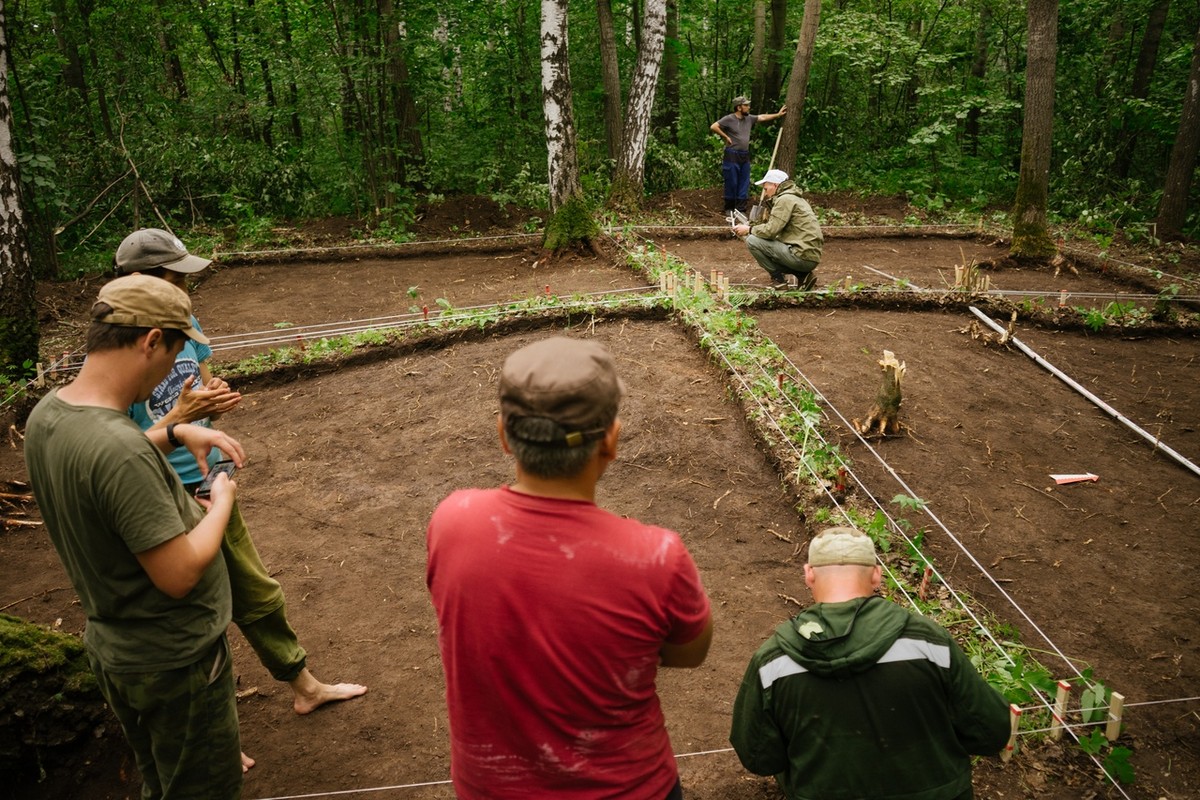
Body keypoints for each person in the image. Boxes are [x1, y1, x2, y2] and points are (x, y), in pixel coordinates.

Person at [113, 229, 366, 764]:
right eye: (178, 275)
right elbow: (111, 450)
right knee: (191, 614)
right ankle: (210, 736)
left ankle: (305, 686)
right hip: (158, 492)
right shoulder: (119, 349)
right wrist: (176, 422)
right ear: (147, 279)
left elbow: (199, 381)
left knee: (253, 590)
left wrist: (211, 401)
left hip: (209, 477)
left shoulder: (188, 323)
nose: (187, 283)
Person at [426, 336, 714, 799]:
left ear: (503, 434)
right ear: (612, 441)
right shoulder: (657, 557)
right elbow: (688, 653)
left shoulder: (451, 520)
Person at [25, 274, 246, 799]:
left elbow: (101, 452)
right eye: (174, 353)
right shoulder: (120, 452)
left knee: (161, 780)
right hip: (174, 659)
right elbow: (178, 573)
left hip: (117, 648)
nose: (175, 370)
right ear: (151, 340)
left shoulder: (49, 417)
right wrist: (221, 503)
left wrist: (172, 431)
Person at [729, 526, 1011, 800]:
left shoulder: (774, 661)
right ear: (876, 575)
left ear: (809, 575)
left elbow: (759, 757)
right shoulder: (929, 643)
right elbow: (991, 732)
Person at [732, 169, 823, 290]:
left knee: (752, 241)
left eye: (766, 189)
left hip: (801, 255)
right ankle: (803, 276)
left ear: (775, 185)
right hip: (809, 255)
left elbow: (771, 231)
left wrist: (749, 229)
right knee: (761, 242)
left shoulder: (784, 200)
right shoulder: (795, 198)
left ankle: (778, 280)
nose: (765, 193)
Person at [710, 95, 786, 214]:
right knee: (732, 181)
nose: (748, 107)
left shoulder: (749, 118)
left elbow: (762, 117)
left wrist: (777, 115)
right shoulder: (729, 119)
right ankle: (729, 208)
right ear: (739, 107)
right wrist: (726, 136)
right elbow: (714, 126)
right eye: (746, 105)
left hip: (744, 155)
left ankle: (741, 209)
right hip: (731, 154)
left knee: (744, 180)